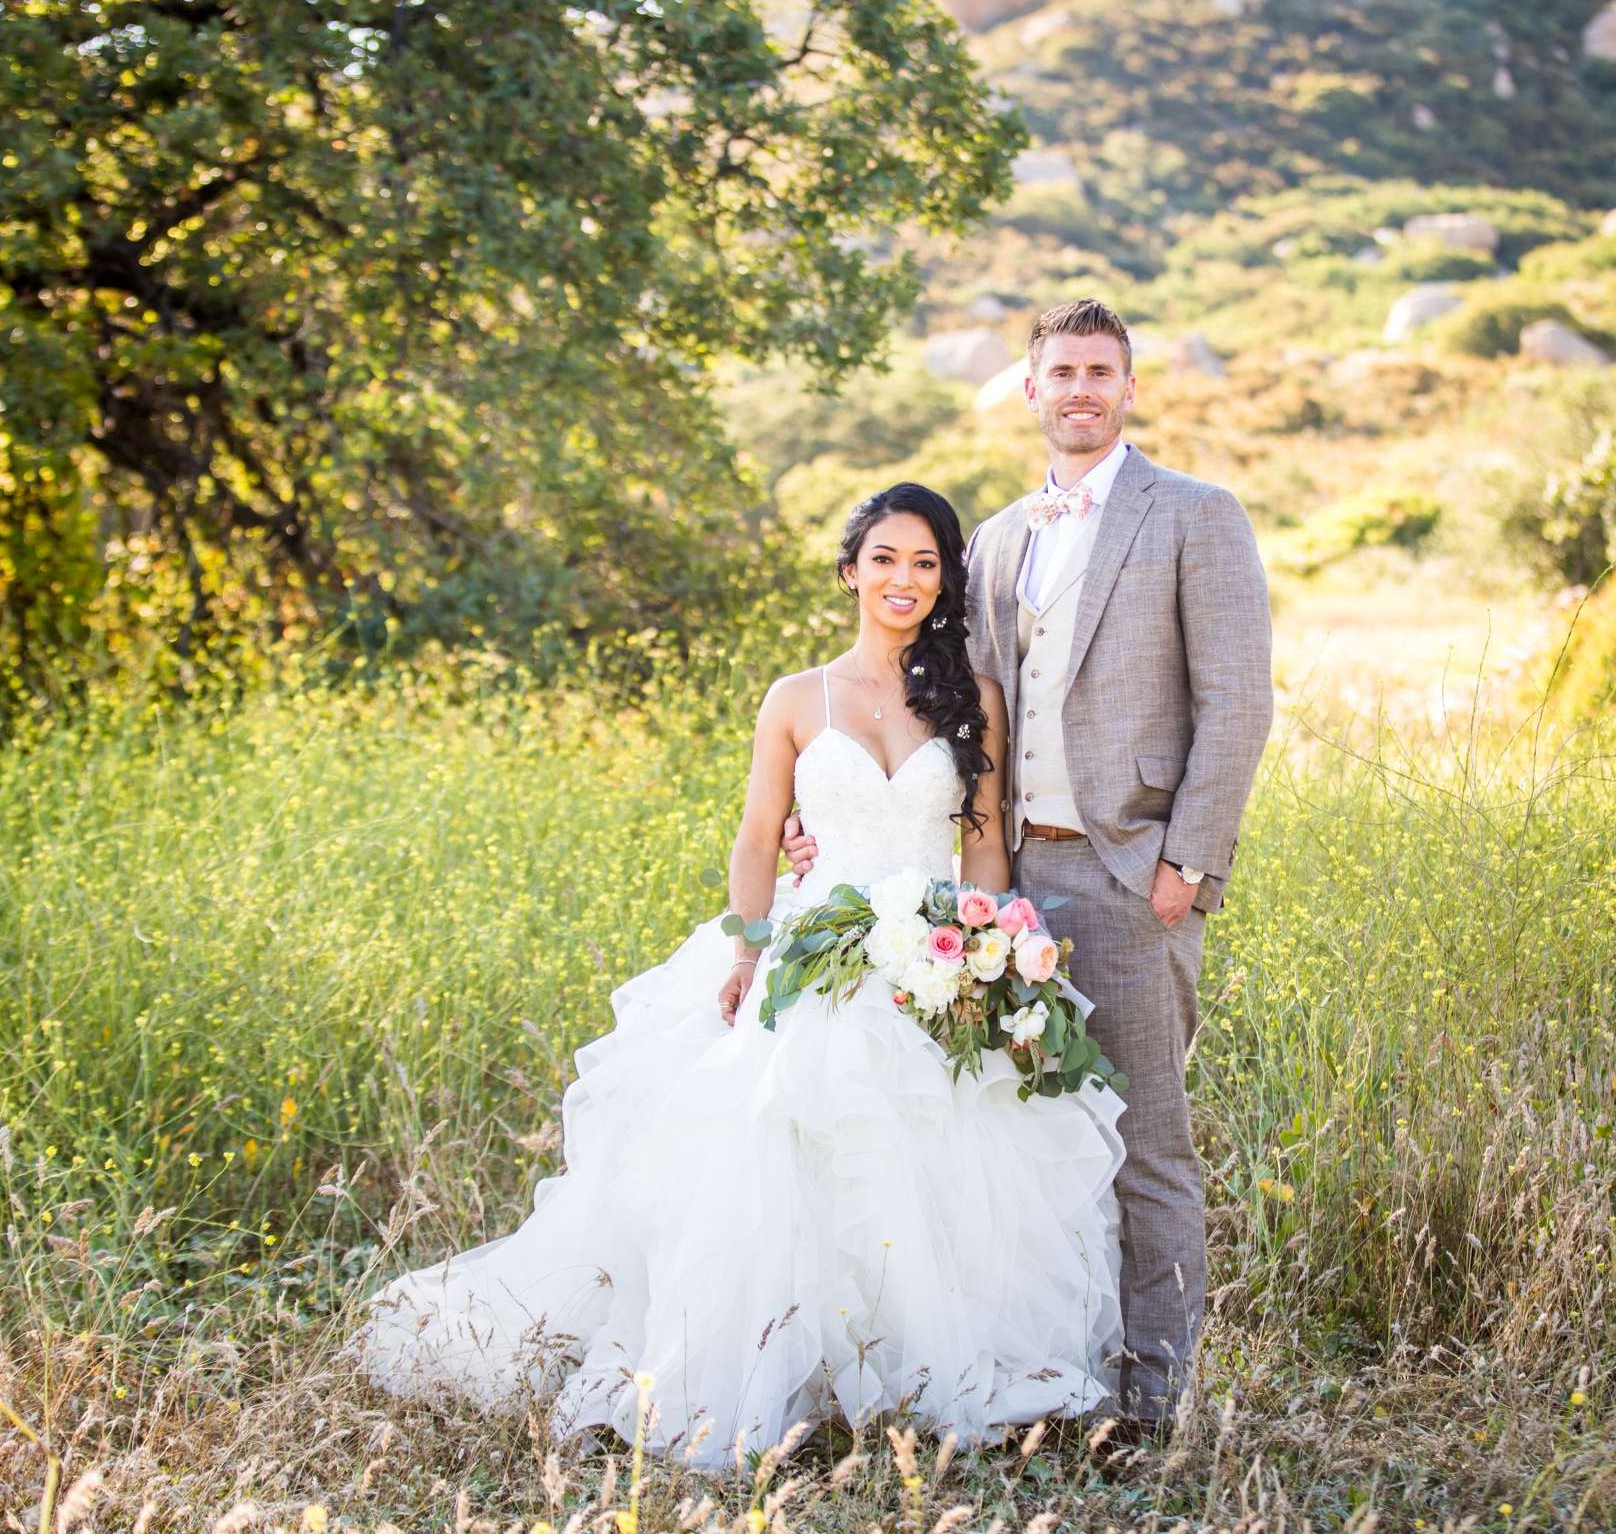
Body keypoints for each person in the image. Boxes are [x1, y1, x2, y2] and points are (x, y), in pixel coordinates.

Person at [345, 485, 1128, 1470]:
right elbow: (759, 837)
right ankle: (770, 1369)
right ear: (851, 571)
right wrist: (749, 948)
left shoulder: (975, 698)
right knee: (776, 1145)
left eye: (926, 563)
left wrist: (992, 955)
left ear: (946, 580)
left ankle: (929, 1372)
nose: (904, 581)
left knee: (951, 1158)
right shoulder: (799, 698)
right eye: (885, 559)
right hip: (817, 954)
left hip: (936, 954)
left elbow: (980, 850)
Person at [784, 298, 1274, 1426]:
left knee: (1145, 1141)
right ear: (1032, 390)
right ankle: (1058, 1369)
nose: (1082, 389)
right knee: (1030, 1136)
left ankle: (1155, 1399)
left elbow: (1238, 704)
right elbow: (960, 717)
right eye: (1062, 371)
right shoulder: (1000, 539)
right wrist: (828, 812)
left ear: (1130, 388)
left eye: (1102, 370)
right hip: (997, 891)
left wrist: (1186, 870)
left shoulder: (1196, 515)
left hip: (1128, 876)